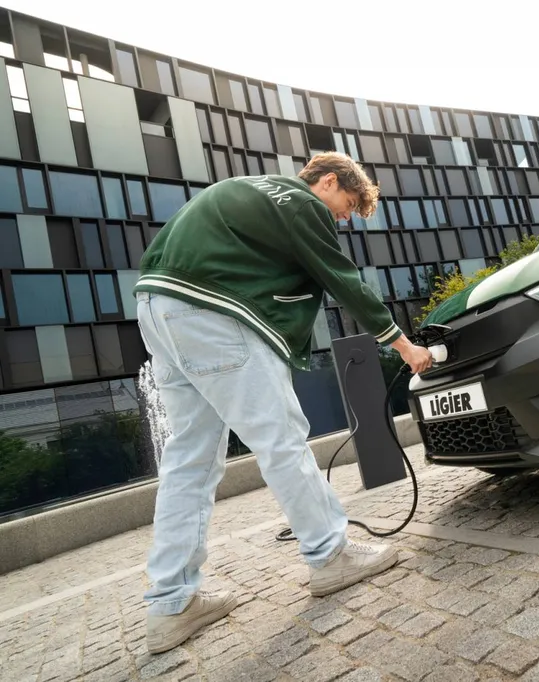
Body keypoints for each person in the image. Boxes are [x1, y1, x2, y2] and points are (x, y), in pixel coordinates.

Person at [133, 152, 433, 653]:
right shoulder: (299, 204)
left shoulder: (243, 188)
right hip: (215, 314)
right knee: (281, 439)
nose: (341, 220)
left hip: (157, 309)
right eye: (346, 207)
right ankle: (330, 555)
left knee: (189, 459)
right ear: (329, 180)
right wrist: (403, 344)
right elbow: (344, 280)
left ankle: (170, 603)